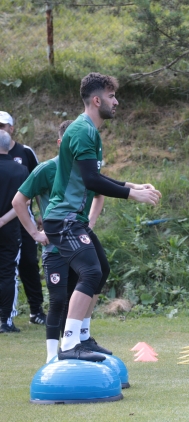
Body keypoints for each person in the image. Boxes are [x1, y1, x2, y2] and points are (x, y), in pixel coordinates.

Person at [42, 73, 161, 361]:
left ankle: (82, 337)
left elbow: (93, 176)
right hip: (63, 219)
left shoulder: (90, 131)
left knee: (101, 269)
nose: (116, 101)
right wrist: (133, 195)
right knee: (91, 271)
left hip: (73, 219)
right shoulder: (83, 131)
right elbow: (93, 182)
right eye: (111, 96)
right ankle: (70, 344)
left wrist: (131, 185)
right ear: (97, 100)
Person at [13, 120, 105, 362]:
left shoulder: (82, 169)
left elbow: (99, 194)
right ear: (60, 144)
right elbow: (18, 201)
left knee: (84, 287)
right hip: (54, 247)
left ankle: (76, 343)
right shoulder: (46, 169)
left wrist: (90, 223)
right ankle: (52, 358)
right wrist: (35, 233)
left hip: (77, 241)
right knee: (58, 301)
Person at [0, 111, 45, 326]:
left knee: (28, 262)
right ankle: (6, 315)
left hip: (23, 219)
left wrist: (42, 215)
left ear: (11, 128)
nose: (0, 129)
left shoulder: (25, 153)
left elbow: (37, 185)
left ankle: (36, 310)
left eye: (3, 126)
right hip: (7, 221)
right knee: (8, 268)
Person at [0, 129, 28, 333]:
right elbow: (23, 203)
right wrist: (3, 220)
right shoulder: (21, 171)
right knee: (8, 273)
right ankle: (5, 321)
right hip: (10, 229)